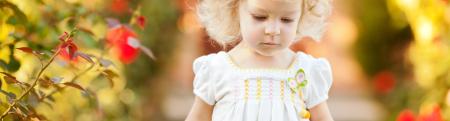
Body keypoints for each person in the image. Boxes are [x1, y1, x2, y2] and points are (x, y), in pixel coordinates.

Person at [186, 0, 333, 120]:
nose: (273, 30)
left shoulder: (306, 71)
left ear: (301, 17)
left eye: (287, 20)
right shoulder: (218, 70)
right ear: (234, 10)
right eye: (260, 17)